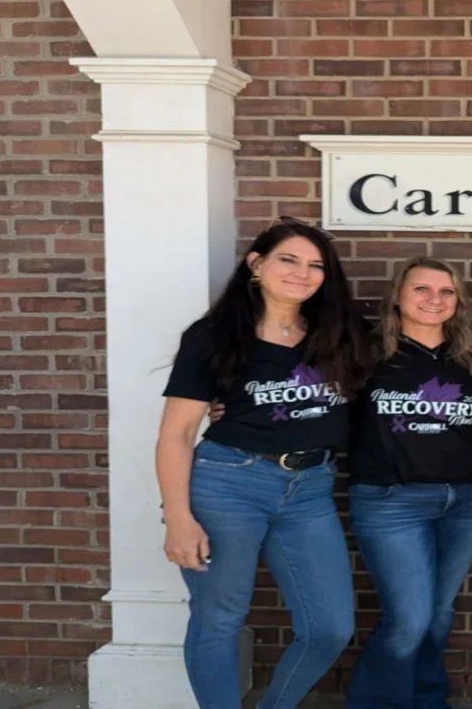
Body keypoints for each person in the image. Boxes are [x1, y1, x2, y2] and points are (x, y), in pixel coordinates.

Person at [156, 218, 371, 709]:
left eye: (316, 265)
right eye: (288, 260)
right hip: (227, 485)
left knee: (330, 626)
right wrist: (179, 518)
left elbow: (414, 344)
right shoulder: (214, 336)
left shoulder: (342, 333)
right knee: (219, 621)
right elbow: (176, 433)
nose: (303, 273)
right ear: (256, 265)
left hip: (311, 490)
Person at [346, 257, 472, 709]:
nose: (435, 299)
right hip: (390, 500)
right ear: (398, 296)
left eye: (446, 291)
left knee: (439, 613)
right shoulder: (363, 355)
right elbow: (317, 401)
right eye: (421, 289)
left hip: (469, 500)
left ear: (459, 301)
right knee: (409, 619)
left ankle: (427, 700)